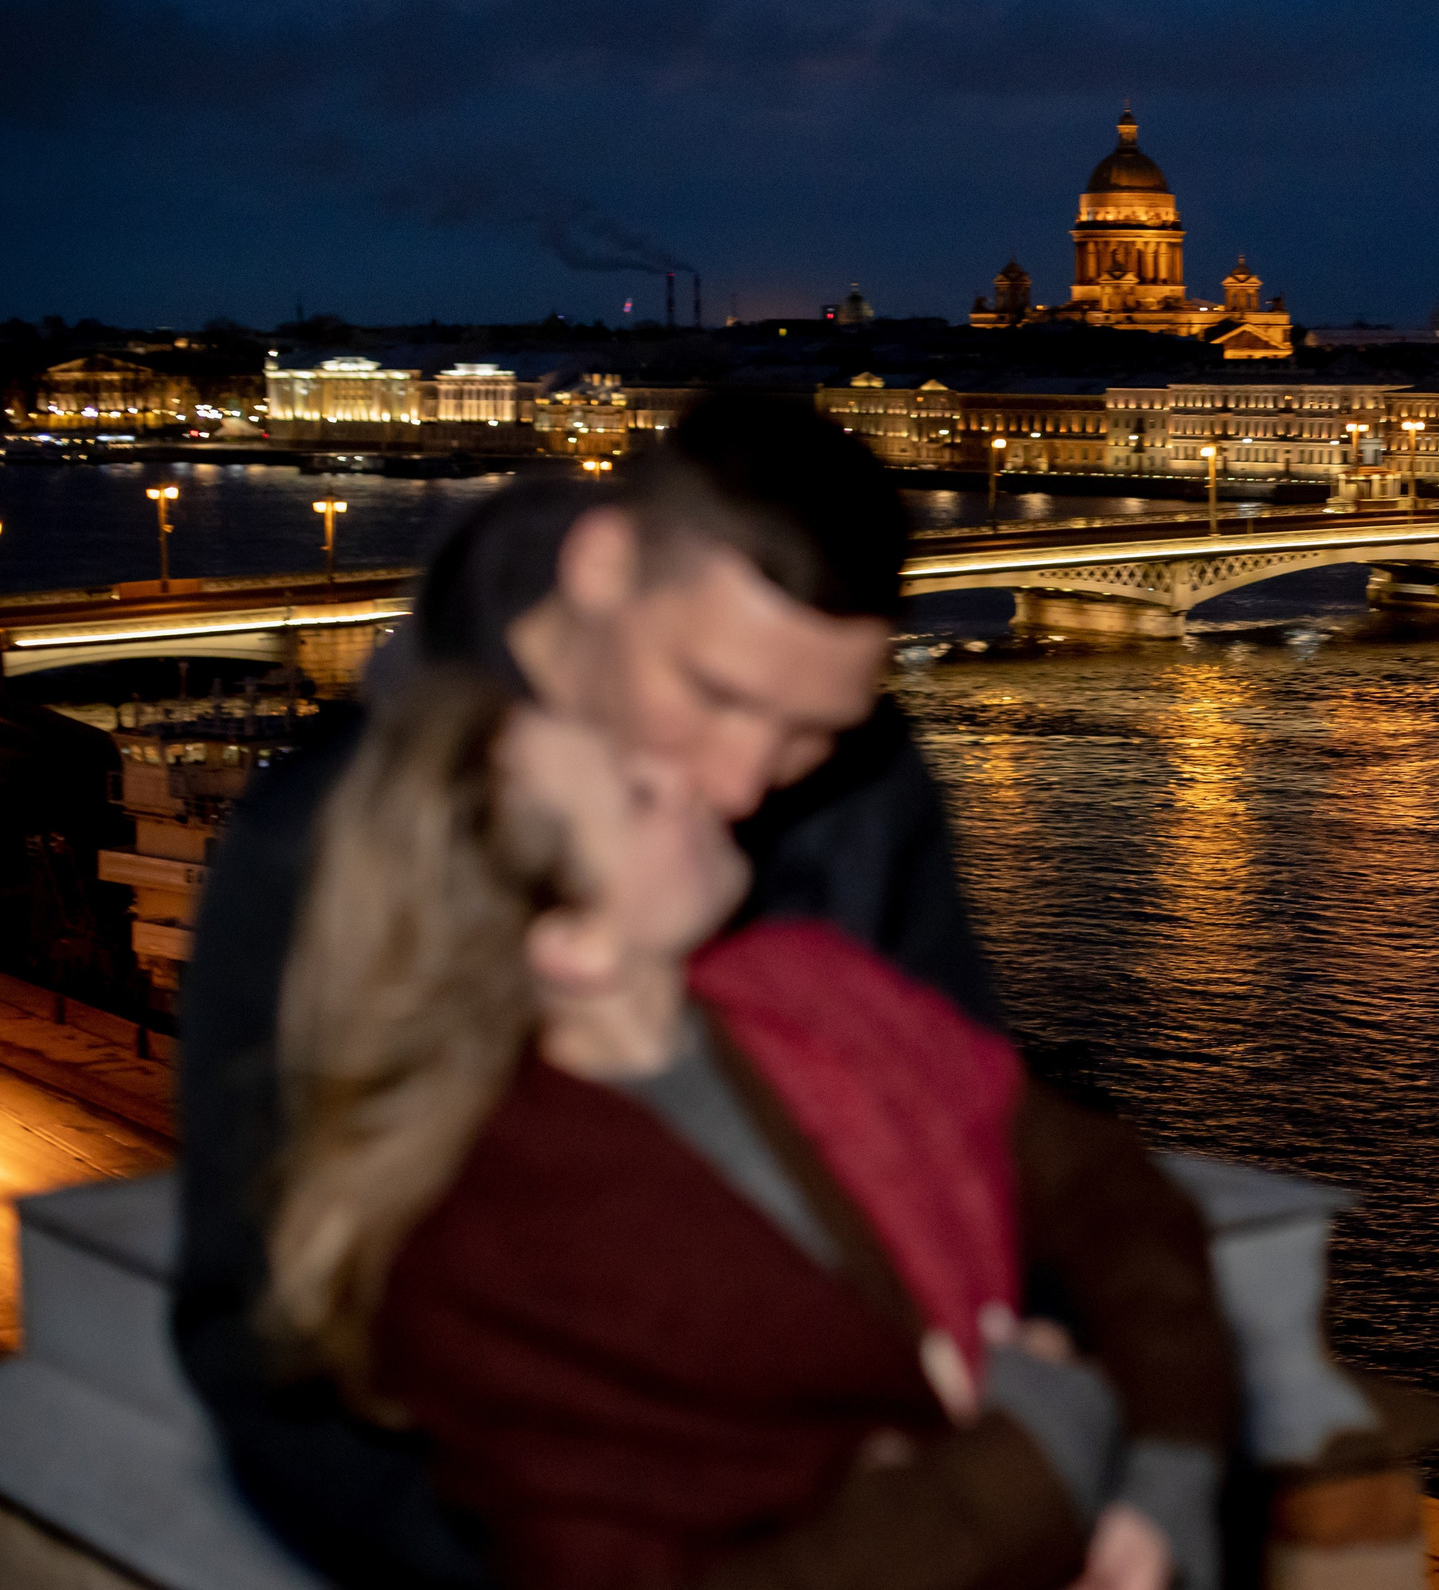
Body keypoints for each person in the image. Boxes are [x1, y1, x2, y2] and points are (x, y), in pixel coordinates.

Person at [172, 395, 1125, 1587]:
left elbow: (985, 1157)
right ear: (603, 565)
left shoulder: (868, 792)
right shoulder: (315, 840)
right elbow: (260, 1334)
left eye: (809, 730)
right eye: (717, 694)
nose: (740, 781)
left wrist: (1071, 1471)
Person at [259, 668, 1230, 1590]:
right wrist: (1045, 1444)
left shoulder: (816, 990)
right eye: (639, 795)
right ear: (572, 945)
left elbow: (1110, 1195)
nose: (692, 778)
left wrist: (1165, 1481)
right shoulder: (480, 1258)